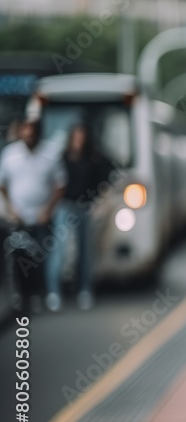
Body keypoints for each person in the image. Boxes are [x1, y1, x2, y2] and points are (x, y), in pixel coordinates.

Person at [0, 119, 66, 311]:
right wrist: (11, 209)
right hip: (18, 218)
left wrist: (48, 210)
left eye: (32, 132)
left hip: (42, 217)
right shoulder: (10, 154)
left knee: (41, 258)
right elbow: (2, 184)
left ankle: (42, 293)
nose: (28, 135)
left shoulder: (50, 153)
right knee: (19, 258)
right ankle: (22, 296)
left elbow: (60, 185)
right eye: (25, 131)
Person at [52, 125, 114, 310]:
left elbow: (109, 173)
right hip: (65, 207)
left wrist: (99, 197)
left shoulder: (92, 157)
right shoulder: (63, 158)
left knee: (85, 251)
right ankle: (54, 292)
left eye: (82, 137)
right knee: (60, 252)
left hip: (85, 208)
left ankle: (85, 290)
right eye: (76, 137)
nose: (79, 141)